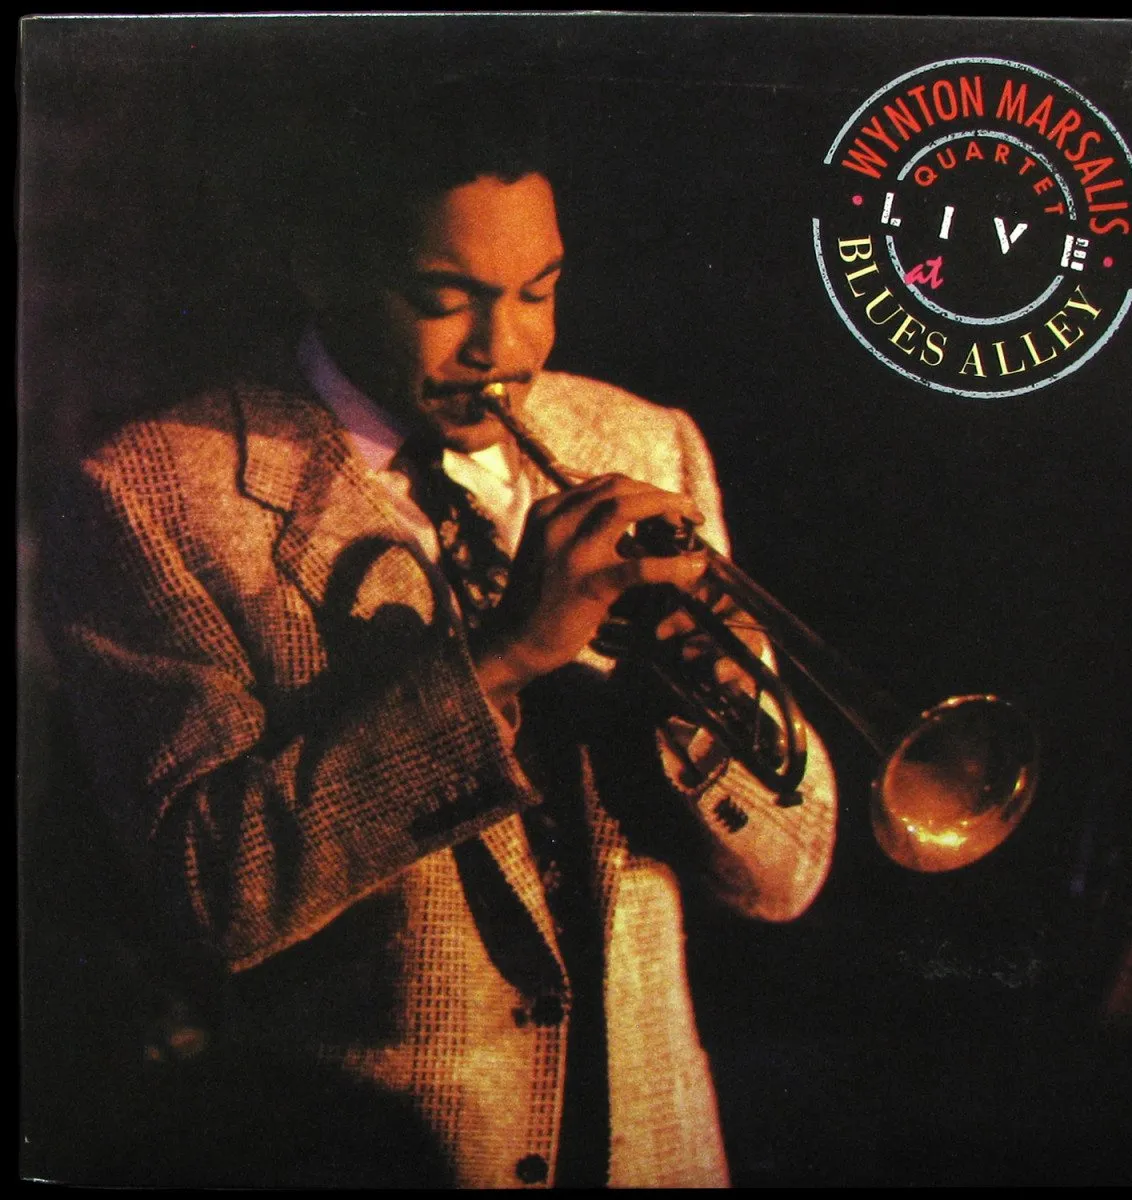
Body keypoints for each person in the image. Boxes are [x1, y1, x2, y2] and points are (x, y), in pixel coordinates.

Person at [40, 99, 837, 1188]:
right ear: (321, 267)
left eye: (539, 292)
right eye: (444, 299)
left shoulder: (647, 443)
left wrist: (698, 713)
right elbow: (212, 896)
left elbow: (787, 879)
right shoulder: (152, 494)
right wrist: (503, 658)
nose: (504, 350)